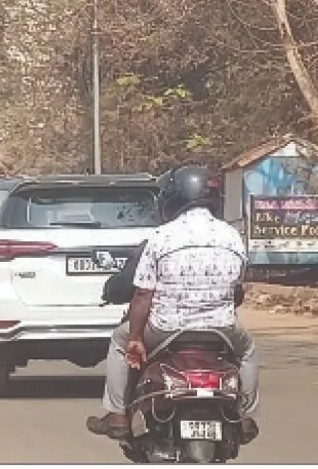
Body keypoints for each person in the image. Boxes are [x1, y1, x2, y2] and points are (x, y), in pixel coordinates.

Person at [85, 165, 259, 442]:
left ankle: (117, 414)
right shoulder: (233, 236)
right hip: (221, 329)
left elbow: (143, 295)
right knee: (247, 350)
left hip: (166, 328)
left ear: (173, 198)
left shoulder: (161, 237)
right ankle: (247, 416)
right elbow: (237, 292)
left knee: (118, 342)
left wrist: (135, 339)